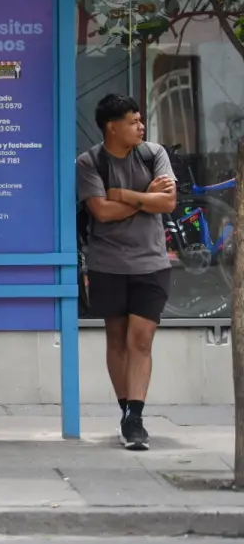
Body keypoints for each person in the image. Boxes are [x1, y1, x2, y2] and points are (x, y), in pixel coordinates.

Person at [76, 93, 177, 450]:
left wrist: (123, 194)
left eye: (140, 120)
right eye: (133, 121)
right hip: (108, 265)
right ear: (112, 127)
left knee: (141, 340)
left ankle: (135, 418)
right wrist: (142, 196)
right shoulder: (89, 163)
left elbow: (167, 202)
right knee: (117, 339)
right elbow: (101, 212)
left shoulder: (154, 154)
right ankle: (125, 411)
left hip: (151, 264)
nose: (141, 126)